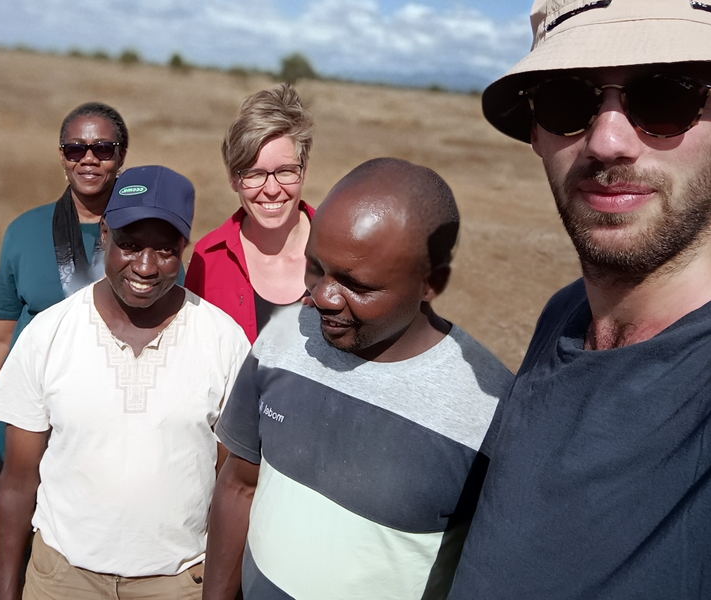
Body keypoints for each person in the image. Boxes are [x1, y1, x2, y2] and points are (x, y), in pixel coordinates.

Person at [447, 0, 711, 598]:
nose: (607, 139)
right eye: (571, 101)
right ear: (538, 134)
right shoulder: (566, 315)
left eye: (666, 96)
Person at [204, 158, 513, 600]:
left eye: (357, 284)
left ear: (430, 283)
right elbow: (239, 485)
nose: (323, 296)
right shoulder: (281, 338)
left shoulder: (490, 411)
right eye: (316, 267)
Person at [0, 165, 250, 600]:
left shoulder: (222, 339)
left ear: (183, 246)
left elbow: (232, 484)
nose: (145, 266)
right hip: (62, 579)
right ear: (103, 233)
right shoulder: (49, 333)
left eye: (165, 250)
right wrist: (7, 593)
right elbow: (16, 482)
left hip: (178, 582)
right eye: (128, 245)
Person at [0, 102, 129, 497]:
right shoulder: (24, 231)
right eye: (75, 149)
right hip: (24, 423)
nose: (88, 159)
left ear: (120, 155)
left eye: (103, 148)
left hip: (106, 428)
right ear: (62, 156)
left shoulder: (146, 242)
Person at [185, 84, 315, 343]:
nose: (272, 189)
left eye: (286, 171)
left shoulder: (343, 250)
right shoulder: (207, 258)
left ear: (304, 170)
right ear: (233, 179)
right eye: (254, 174)